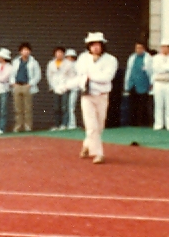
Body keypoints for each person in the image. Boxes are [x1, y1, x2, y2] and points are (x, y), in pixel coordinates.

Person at [76, 32, 119, 164]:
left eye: (98, 44)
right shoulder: (83, 58)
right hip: (87, 96)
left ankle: (87, 145)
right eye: (92, 45)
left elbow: (107, 77)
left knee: (99, 126)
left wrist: (90, 75)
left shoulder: (111, 60)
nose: (95, 47)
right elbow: (80, 73)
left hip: (102, 96)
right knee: (91, 126)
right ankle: (98, 153)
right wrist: (90, 76)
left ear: (102, 45)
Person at [10, 42, 41, 132]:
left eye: (27, 50)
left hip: (27, 86)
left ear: (30, 52)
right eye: (23, 50)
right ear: (20, 52)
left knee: (27, 108)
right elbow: (11, 74)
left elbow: (37, 75)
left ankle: (27, 126)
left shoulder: (34, 62)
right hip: (17, 86)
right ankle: (18, 126)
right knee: (17, 108)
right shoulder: (15, 61)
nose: (25, 52)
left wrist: (31, 84)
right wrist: (13, 83)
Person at [123, 42, 153, 127]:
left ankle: (144, 123)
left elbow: (151, 71)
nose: (138, 50)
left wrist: (151, 82)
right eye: (137, 48)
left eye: (140, 48)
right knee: (133, 103)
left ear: (144, 49)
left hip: (144, 84)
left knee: (143, 104)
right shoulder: (132, 57)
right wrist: (127, 83)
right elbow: (129, 70)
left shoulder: (148, 58)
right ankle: (133, 122)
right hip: (133, 83)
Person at [151, 40, 169, 131]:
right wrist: (166, 67)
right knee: (158, 104)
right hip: (158, 83)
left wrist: (163, 67)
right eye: (162, 47)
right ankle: (158, 124)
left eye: (166, 47)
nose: (163, 49)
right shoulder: (156, 58)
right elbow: (156, 69)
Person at [46, 46, 73, 130]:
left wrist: (67, 86)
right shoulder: (51, 63)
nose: (59, 54)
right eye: (57, 53)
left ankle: (64, 124)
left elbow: (71, 76)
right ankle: (57, 124)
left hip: (65, 87)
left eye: (61, 53)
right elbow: (49, 76)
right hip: (55, 88)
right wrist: (53, 86)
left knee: (64, 106)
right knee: (56, 107)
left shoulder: (68, 63)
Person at [62, 49, 80, 129]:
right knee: (65, 106)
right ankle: (65, 124)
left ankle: (72, 124)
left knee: (71, 106)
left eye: (71, 57)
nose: (69, 58)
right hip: (66, 88)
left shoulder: (77, 65)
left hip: (74, 88)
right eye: (68, 57)